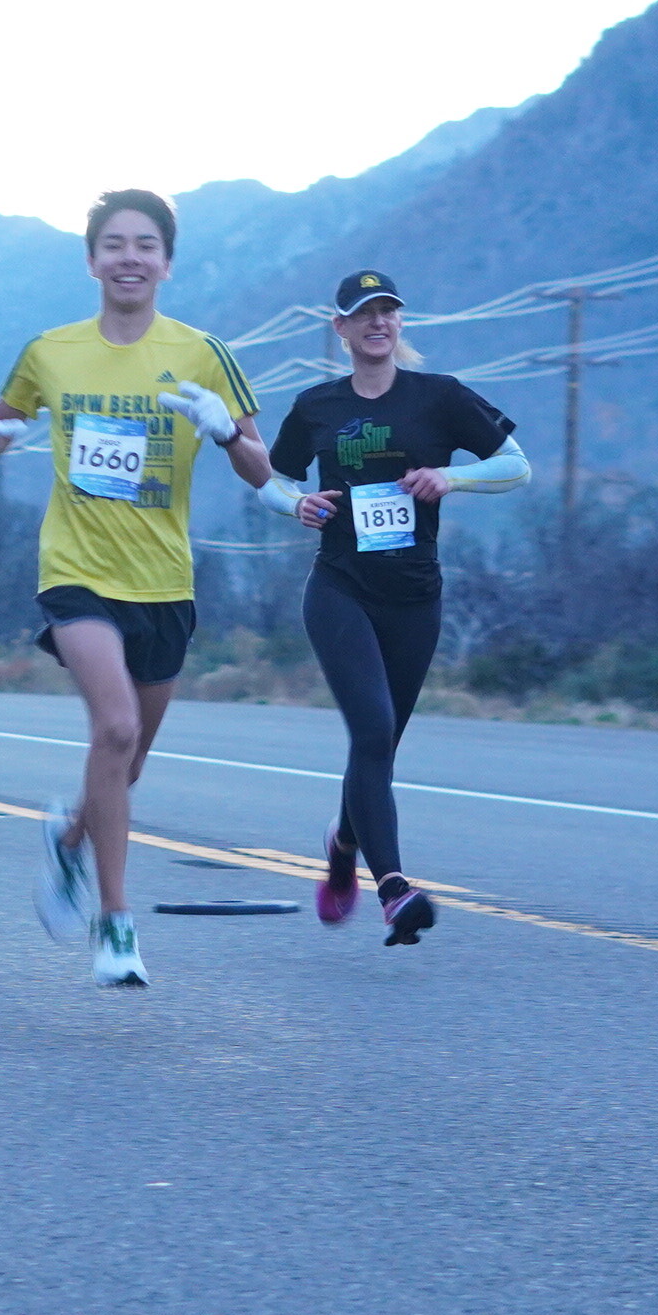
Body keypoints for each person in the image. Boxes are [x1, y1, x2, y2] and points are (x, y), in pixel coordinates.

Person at [0, 188, 269, 987]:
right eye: (115, 244)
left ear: (167, 263)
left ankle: (68, 841)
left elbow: (261, 469)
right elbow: (1, 428)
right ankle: (116, 924)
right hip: (77, 572)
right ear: (92, 260)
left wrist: (225, 431)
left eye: (146, 244)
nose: (130, 257)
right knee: (116, 728)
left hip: (163, 581)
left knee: (125, 763)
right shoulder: (50, 351)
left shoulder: (203, 353)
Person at [262, 271, 529, 946]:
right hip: (340, 588)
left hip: (415, 597)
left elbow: (516, 466)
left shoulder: (440, 396)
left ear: (399, 323)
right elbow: (273, 479)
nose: (377, 322)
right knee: (373, 730)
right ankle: (394, 890)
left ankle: (343, 843)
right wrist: (297, 504)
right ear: (342, 330)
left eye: (388, 311)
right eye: (363, 313)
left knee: (379, 746)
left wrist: (451, 476)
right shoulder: (316, 405)